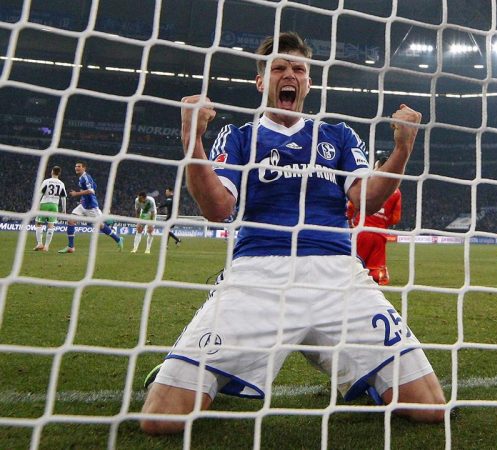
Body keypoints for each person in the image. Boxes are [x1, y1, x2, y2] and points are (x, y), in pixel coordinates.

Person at [140, 32, 445, 435]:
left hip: (338, 278)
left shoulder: (338, 136)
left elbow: (367, 199)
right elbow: (217, 209)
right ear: (260, 81)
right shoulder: (239, 136)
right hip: (258, 277)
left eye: (298, 69)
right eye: (278, 68)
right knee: (161, 419)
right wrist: (192, 139)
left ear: (308, 82)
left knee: (430, 408)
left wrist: (402, 150)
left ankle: (365, 375)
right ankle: (191, 367)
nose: (289, 74)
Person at [346, 159, 401, 285]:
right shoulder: (396, 191)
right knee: (376, 267)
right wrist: (382, 222)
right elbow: (396, 218)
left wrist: (349, 220)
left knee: (354, 263)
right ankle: (379, 277)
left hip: (361, 230)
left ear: (379, 166)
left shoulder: (367, 183)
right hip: (380, 234)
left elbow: (351, 205)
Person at [58, 161, 124, 253]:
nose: (76, 168)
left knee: (101, 226)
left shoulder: (85, 177)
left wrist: (77, 193)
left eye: (79, 166)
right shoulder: (82, 177)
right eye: (76, 166)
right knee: (71, 220)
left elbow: (92, 190)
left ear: (84, 168)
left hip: (91, 207)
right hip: (83, 205)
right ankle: (70, 247)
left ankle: (118, 239)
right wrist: (83, 198)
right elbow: (95, 186)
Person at [34, 165, 67, 252]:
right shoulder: (61, 184)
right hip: (54, 205)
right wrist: (64, 210)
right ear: (59, 173)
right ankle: (46, 246)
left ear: (52, 172)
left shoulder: (46, 181)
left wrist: (37, 205)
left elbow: (40, 194)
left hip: (44, 203)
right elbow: (63, 198)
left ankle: (40, 243)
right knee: (51, 225)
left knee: (38, 223)